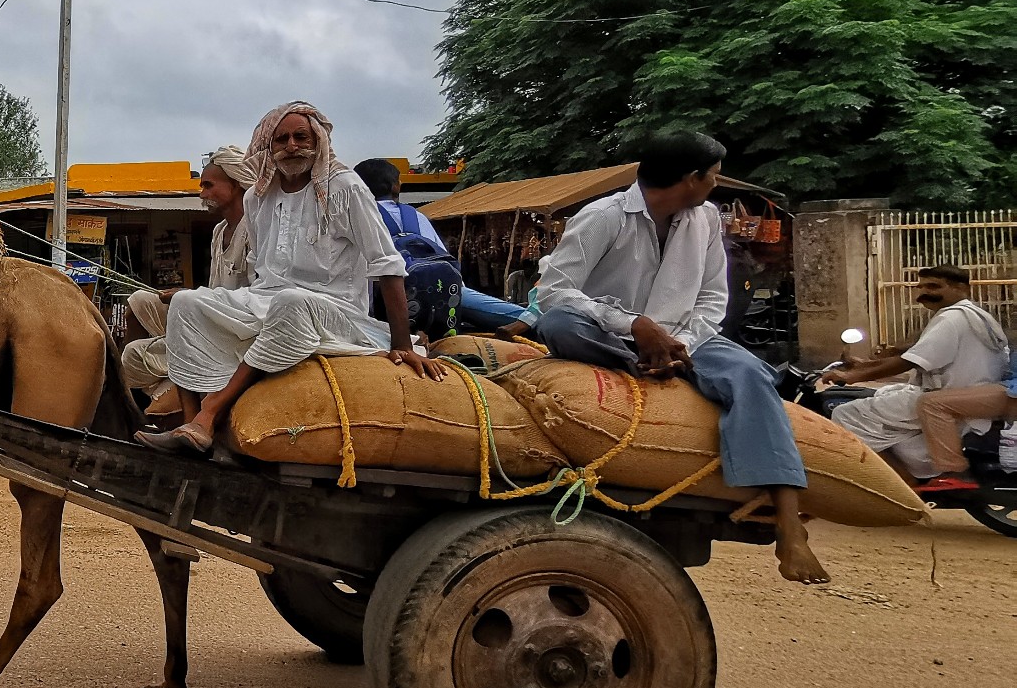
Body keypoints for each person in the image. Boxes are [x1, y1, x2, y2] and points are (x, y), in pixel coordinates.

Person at [534, 131, 827, 584]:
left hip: (689, 339)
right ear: (691, 178)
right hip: (611, 337)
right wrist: (633, 325)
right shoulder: (603, 217)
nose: (717, 182)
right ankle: (645, 369)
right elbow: (554, 293)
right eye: (713, 174)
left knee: (750, 375)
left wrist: (678, 345)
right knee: (558, 326)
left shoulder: (706, 218)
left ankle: (789, 525)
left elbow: (713, 298)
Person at [137, 104, 442, 457]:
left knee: (290, 301)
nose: (292, 146)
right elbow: (259, 272)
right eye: (282, 139)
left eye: (302, 137)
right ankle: (191, 430)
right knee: (187, 303)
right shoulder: (257, 197)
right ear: (268, 147)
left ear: (319, 141)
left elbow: (387, 264)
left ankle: (209, 413)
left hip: (335, 311)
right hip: (266, 300)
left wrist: (402, 344)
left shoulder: (345, 187)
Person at [822, 265, 1011, 489]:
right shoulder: (976, 315)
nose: (923, 292)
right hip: (965, 393)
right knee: (880, 397)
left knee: (846, 414)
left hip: (947, 395)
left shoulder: (952, 319)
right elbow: (919, 355)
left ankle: (904, 481)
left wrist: (852, 376)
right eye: (920, 286)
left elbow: (910, 361)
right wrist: (865, 365)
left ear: (961, 288)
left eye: (933, 286)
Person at [121, 146, 255, 405]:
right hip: (211, 314)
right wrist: (192, 297)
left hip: (236, 329)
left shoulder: (255, 228)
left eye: (209, 185)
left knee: (131, 357)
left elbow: (258, 295)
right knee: (138, 300)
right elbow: (216, 289)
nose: (202, 193)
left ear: (236, 185)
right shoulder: (219, 232)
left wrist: (193, 297)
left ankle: (149, 397)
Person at [354, 157, 536, 337]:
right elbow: (443, 260)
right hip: (444, 295)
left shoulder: (356, 217)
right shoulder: (417, 217)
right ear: (396, 186)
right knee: (512, 314)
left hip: (382, 305)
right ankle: (534, 320)